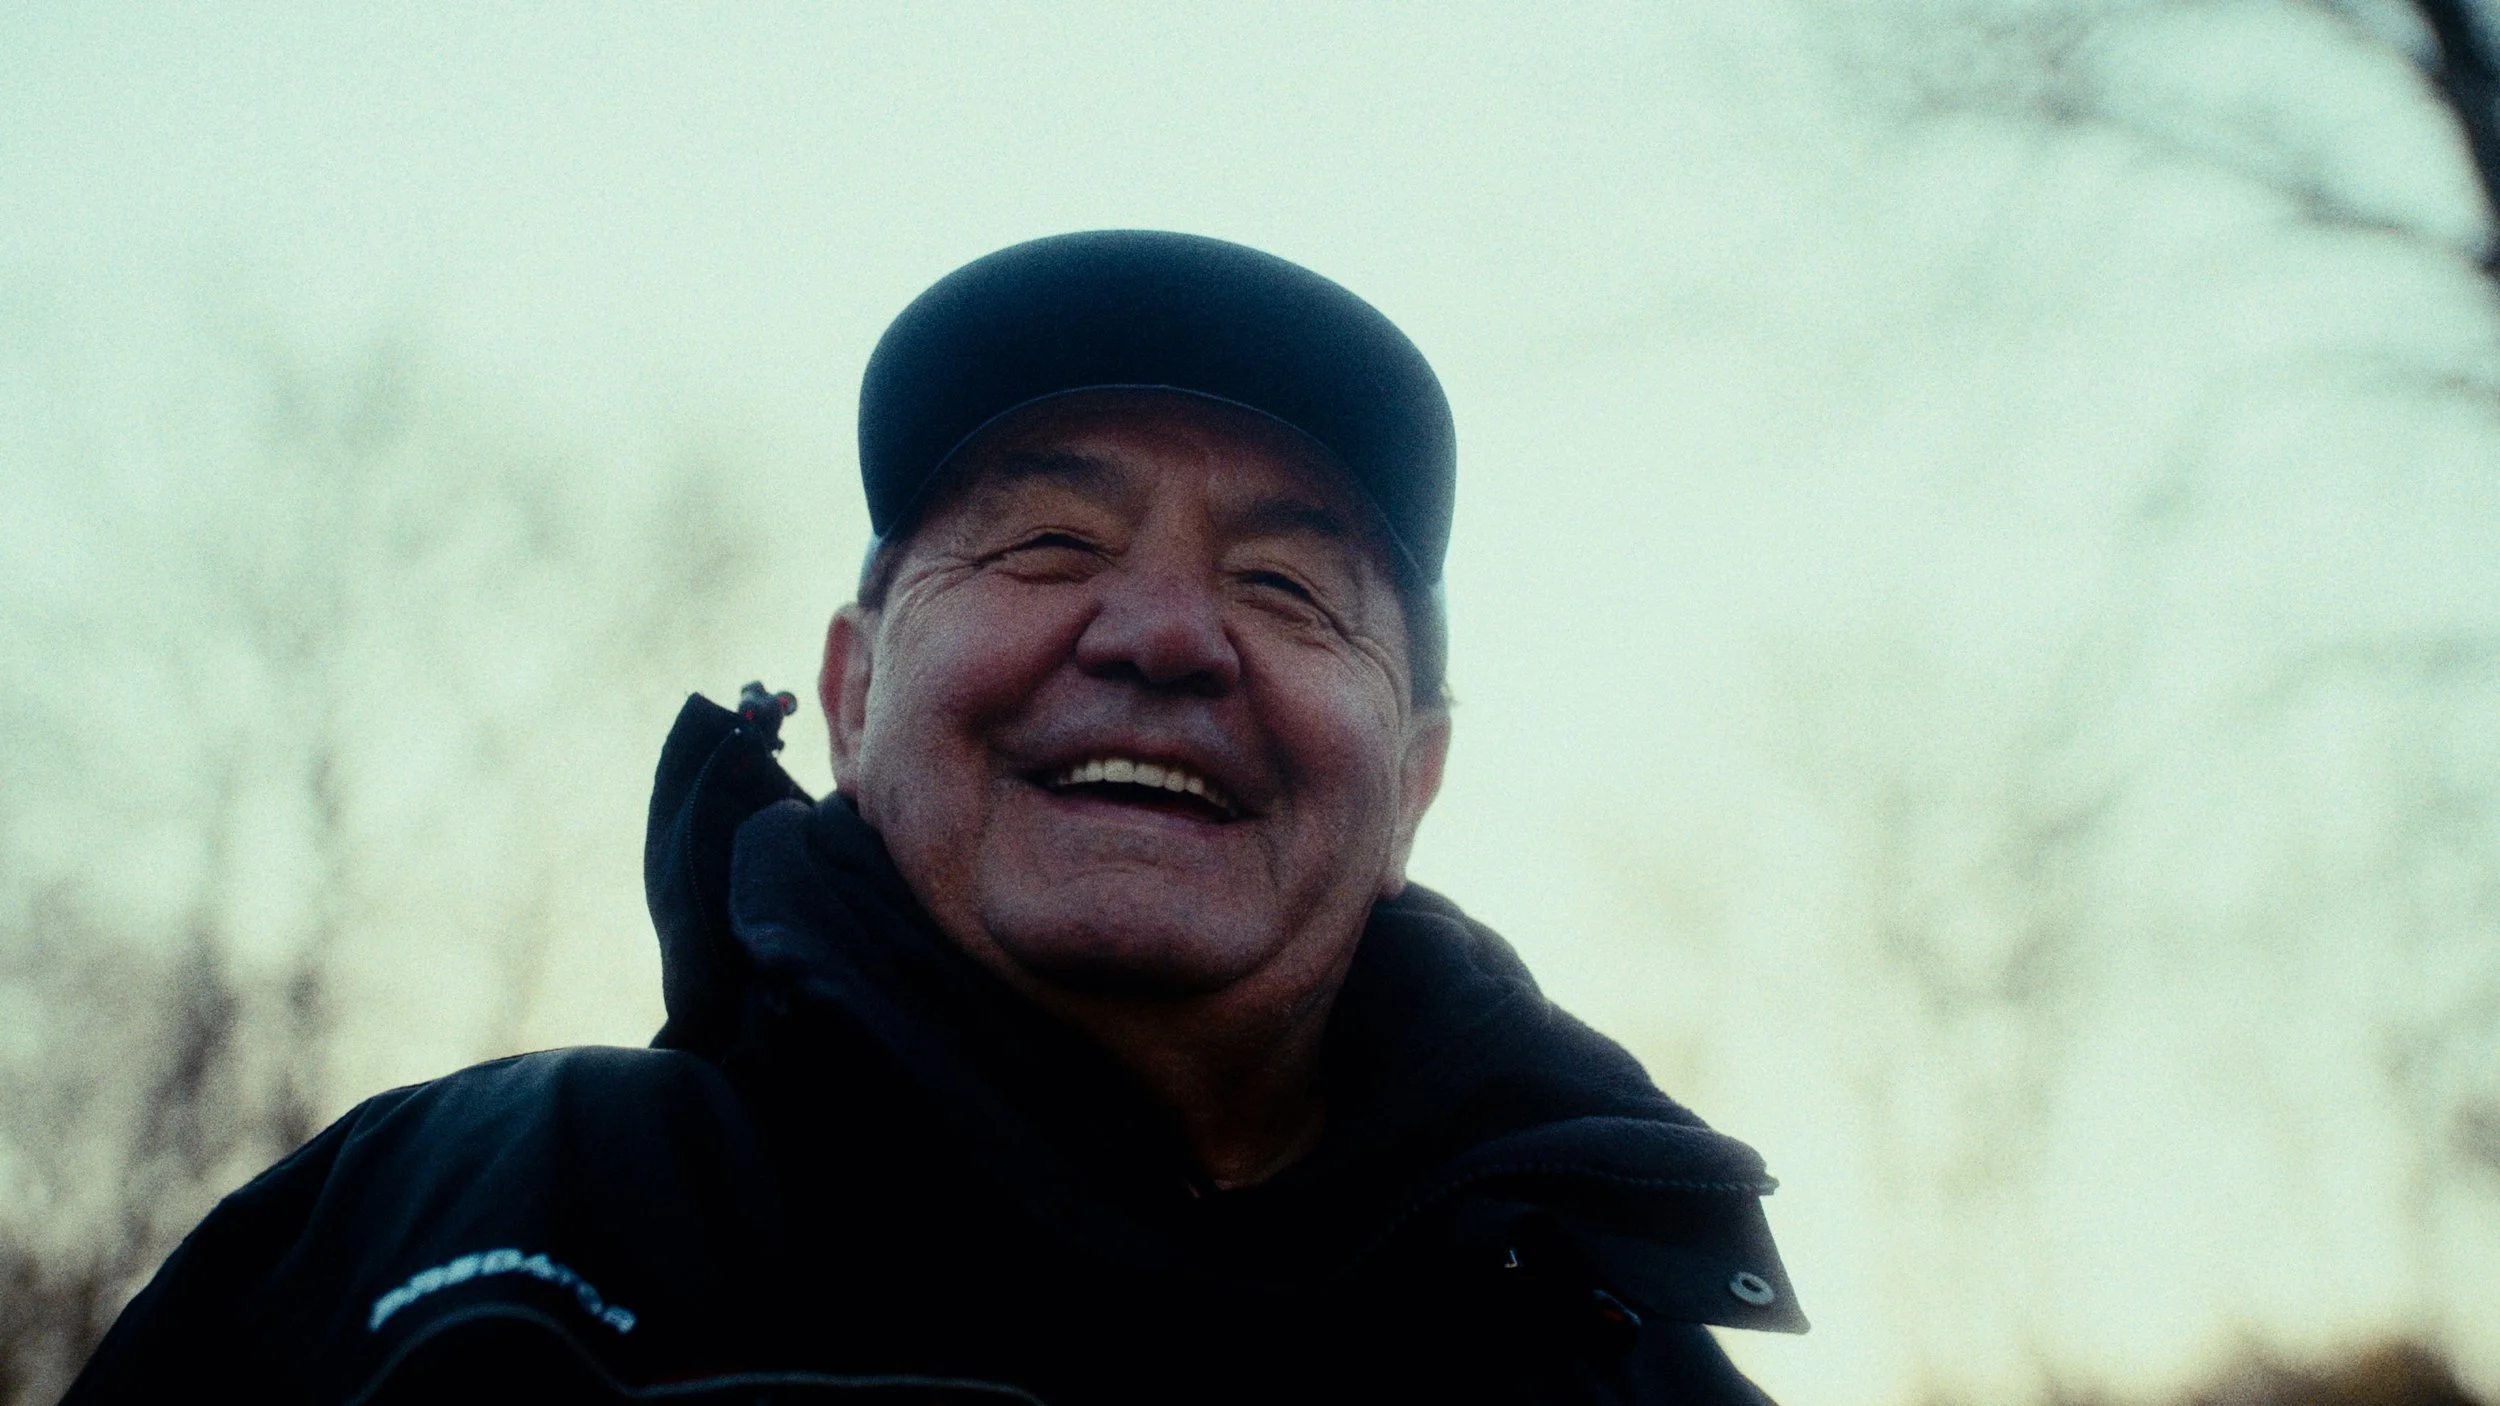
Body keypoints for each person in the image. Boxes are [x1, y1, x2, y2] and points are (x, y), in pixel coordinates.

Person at [65, 231, 1804, 1405]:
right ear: (849, 690)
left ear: (1415, 776)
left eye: (1286, 585)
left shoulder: (1628, 1364)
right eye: (1050, 543)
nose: (1165, 634)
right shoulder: (445, 1231)